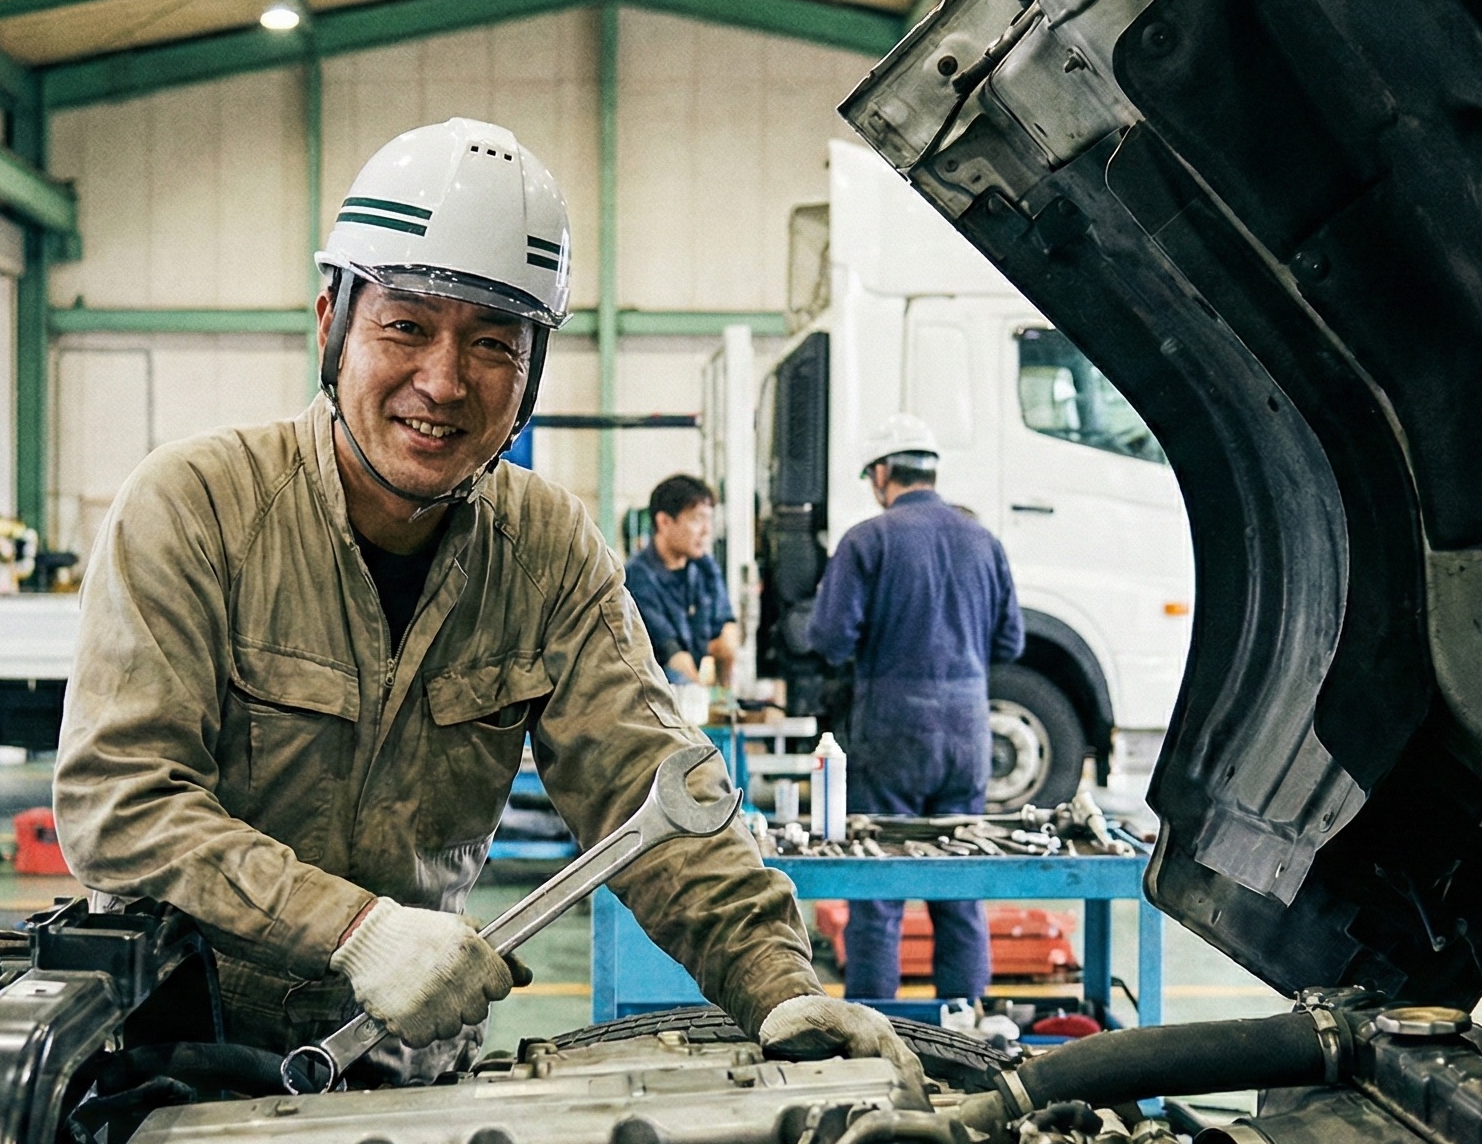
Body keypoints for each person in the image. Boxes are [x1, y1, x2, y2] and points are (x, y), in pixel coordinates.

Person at [54, 119, 920, 1088]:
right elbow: (121, 805)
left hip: (409, 1069)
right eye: (407, 325)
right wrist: (354, 931)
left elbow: (654, 791)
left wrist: (777, 985)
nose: (442, 380)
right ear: (330, 324)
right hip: (181, 1051)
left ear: (530, 378)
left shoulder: (546, 554)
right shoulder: (195, 508)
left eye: (492, 343)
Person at [806, 415, 1024, 1004]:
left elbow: (828, 639)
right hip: (968, 736)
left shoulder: (868, 540)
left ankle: (877, 1033)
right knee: (959, 887)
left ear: (882, 474)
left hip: (893, 732)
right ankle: (967, 1026)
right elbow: (1010, 644)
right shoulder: (985, 541)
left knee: (878, 890)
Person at [624, 475, 740, 685]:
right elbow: (673, 655)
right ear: (664, 522)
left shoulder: (704, 567)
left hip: (694, 687)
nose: (706, 531)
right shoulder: (638, 577)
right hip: (655, 691)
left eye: (709, 520)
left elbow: (725, 629)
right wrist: (702, 702)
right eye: (696, 520)